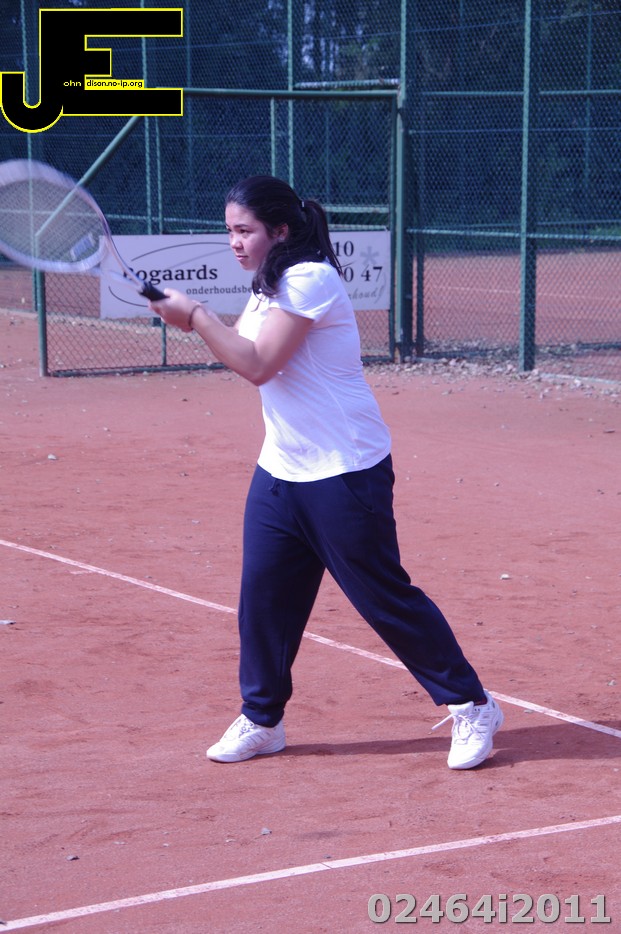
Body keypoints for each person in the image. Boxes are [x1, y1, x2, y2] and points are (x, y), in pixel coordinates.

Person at [149, 175, 503, 770]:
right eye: (229, 230)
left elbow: (258, 364)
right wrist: (192, 321)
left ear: (280, 230)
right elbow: (242, 348)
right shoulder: (268, 284)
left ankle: (473, 705)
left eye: (244, 230)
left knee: (382, 597)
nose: (233, 241)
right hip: (281, 469)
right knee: (264, 600)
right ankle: (263, 719)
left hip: (344, 469)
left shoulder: (309, 278)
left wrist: (198, 315)